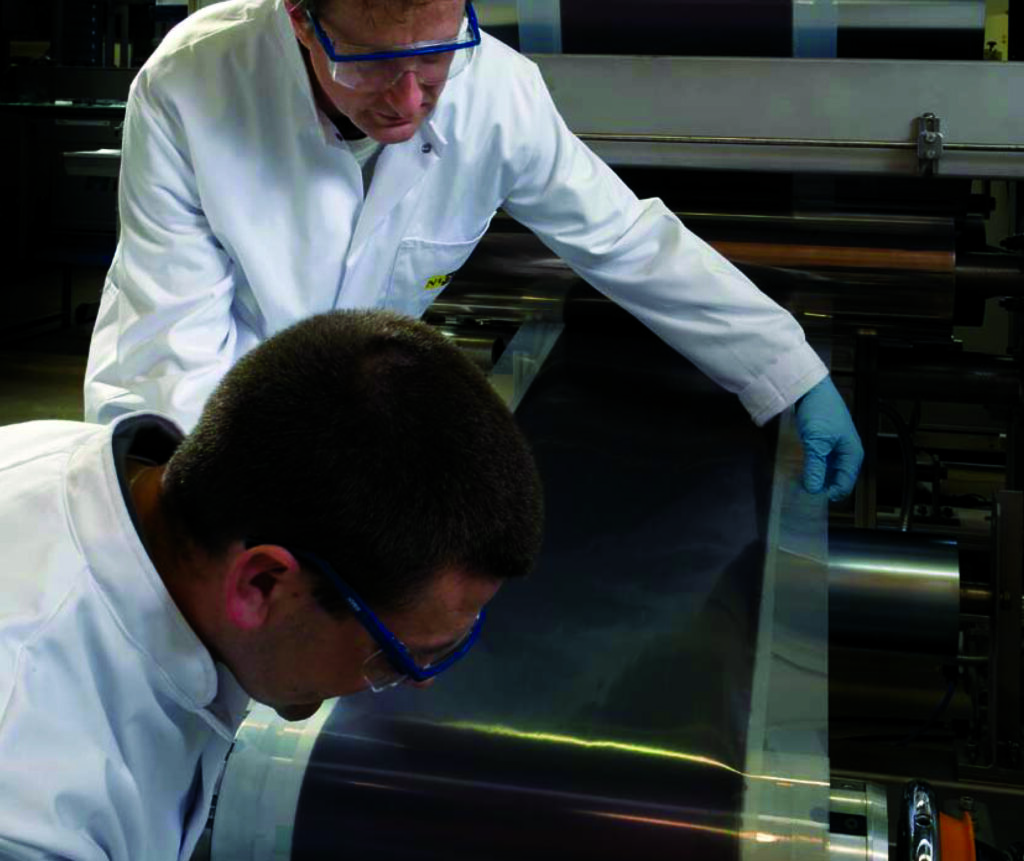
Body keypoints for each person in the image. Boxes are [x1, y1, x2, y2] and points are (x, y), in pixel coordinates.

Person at [83, 0, 862, 500]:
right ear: (299, 19)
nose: (408, 100)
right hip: (183, 413)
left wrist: (788, 369)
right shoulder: (192, 85)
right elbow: (175, 338)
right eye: (371, 63)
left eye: (434, 58)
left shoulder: (498, 90)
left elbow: (626, 239)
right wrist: (213, 509)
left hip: (336, 417)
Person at [0, 310, 542, 861]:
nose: (420, 683)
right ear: (261, 584)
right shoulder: (31, 811)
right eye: (397, 656)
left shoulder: (85, 462)